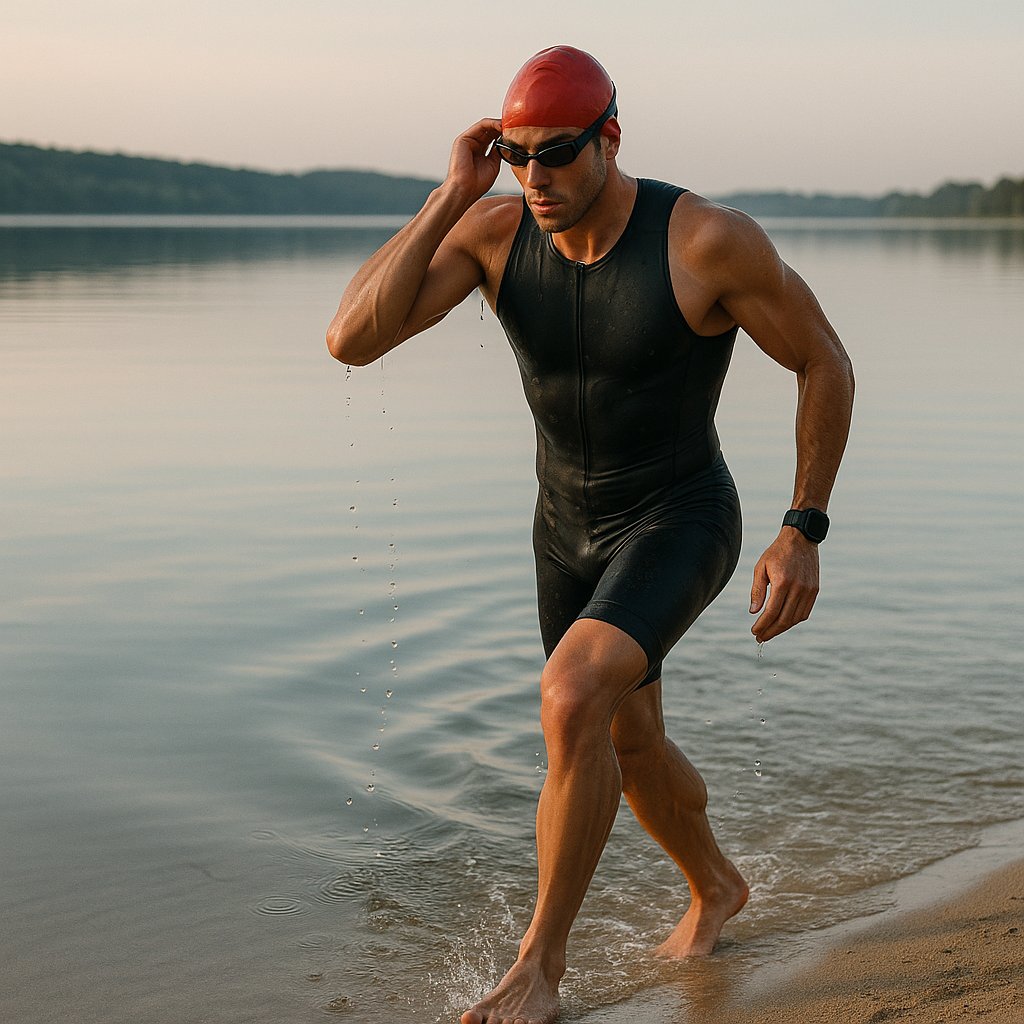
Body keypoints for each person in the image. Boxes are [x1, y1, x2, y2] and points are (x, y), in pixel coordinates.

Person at [327, 44, 854, 1024]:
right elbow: (352, 338)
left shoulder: (702, 241)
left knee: (570, 697)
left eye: (557, 154)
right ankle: (719, 887)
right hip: (560, 532)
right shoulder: (491, 232)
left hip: (680, 514)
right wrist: (450, 194)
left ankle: (538, 965)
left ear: (610, 138)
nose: (536, 178)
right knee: (630, 736)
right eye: (517, 156)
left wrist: (802, 529)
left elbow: (824, 361)